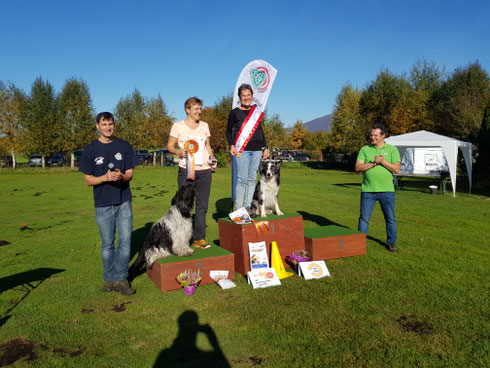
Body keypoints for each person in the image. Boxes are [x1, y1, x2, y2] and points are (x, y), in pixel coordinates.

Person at [79, 112, 135, 295]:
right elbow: (88, 181)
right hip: (103, 205)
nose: (108, 128)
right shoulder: (90, 150)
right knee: (108, 244)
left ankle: (121, 278)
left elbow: (130, 174)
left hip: (123, 201)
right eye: (104, 125)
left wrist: (121, 176)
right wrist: (105, 177)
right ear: (97, 126)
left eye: (110, 124)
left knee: (125, 241)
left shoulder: (124, 146)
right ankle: (109, 278)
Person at [167, 97, 215, 249]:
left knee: (202, 206)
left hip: (205, 171)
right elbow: (170, 146)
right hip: (186, 170)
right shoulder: (178, 126)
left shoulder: (205, 126)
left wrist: (212, 158)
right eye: (196, 109)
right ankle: (180, 238)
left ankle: (199, 238)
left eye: (200, 109)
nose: (199, 112)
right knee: (183, 205)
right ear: (188, 110)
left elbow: (208, 146)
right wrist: (177, 152)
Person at [355, 123, 401, 252]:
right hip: (368, 191)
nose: (372, 137)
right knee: (364, 219)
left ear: (383, 136)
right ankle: (360, 242)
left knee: (390, 218)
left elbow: (396, 169)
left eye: (375, 135)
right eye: (371, 135)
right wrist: (374, 163)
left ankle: (391, 242)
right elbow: (358, 167)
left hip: (387, 191)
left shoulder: (392, 150)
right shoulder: (365, 149)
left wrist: (383, 161)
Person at [226, 84, 268, 210]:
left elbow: (260, 131)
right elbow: (228, 131)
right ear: (239, 97)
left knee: (251, 180)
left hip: (256, 150)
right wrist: (232, 145)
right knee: (242, 180)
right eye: (243, 95)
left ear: (252, 96)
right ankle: (239, 210)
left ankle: (248, 208)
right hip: (242, 150)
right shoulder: (234, 113)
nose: (246, 98)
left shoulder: (256, 112)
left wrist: (265, 147)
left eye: (248, 95)